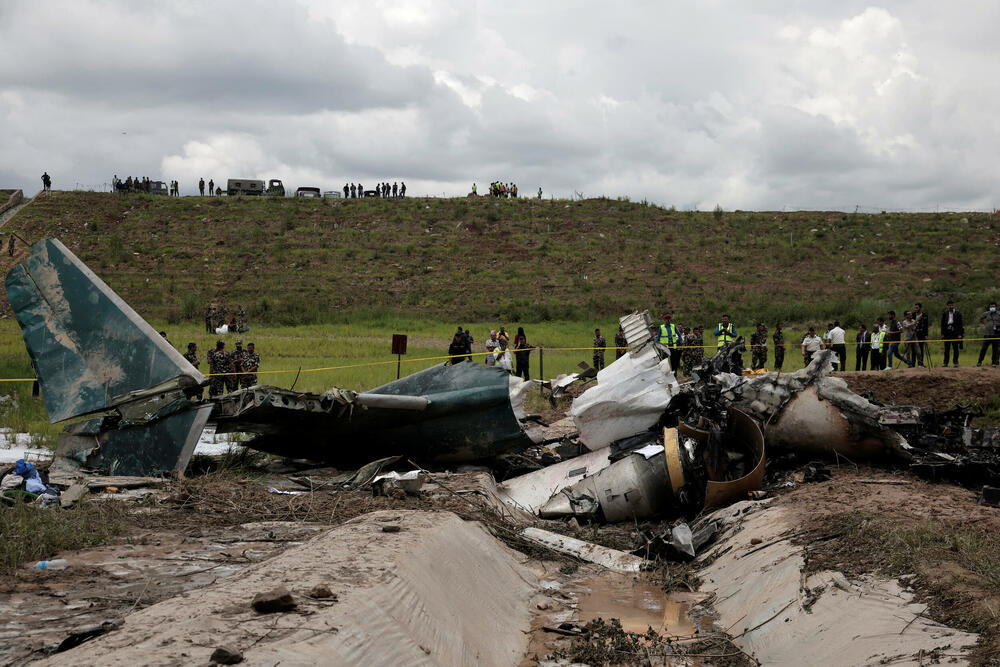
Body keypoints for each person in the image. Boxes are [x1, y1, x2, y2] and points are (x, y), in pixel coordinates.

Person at [941, 301, 964, 367]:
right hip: (947, 332)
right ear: (947, 306)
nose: (950, 306)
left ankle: (955, 362)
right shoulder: (945, 313)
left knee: (955, 348)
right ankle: (945, 362)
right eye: (949, 305)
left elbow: (960, 324)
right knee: (946, 349)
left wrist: (960, 334)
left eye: (952, 305)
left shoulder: (957, 313)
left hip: (955, 332)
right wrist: (942, 333)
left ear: (953, 305)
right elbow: (942, 324)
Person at [977, 302, 1000, 366]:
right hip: (987, 334)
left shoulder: (999, 314)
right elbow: (981, 319)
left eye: (993, 306)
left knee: (995, 349)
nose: (992, 308)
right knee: (983, 348)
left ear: (996, 307)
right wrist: (985, 324)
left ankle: (994, 362)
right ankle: (979, 361)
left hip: (996, 334)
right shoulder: (986, 314)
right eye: (991, 307)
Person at [913, 302, 929, 366]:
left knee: (921, 349)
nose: (915, 309)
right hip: (914, 334)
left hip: (921, 334)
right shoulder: (913, 315)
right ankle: (913, 364)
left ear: (920, 308)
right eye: (915, 308)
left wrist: (926, 335)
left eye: (917, 308)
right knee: (914, 349)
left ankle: (920, 363)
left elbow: (926, 326)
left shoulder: (924, 315)